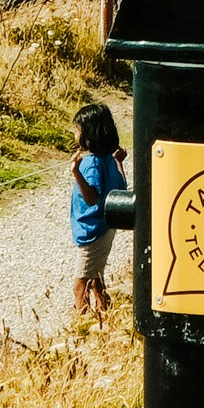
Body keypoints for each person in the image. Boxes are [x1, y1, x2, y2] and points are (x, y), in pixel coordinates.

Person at [70, 102, 129, 317]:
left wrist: (76, 173)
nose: (75, 134)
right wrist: (119, 162)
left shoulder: (91, 163)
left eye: (78, 130)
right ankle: (106, 316)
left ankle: (81, 326)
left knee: (80, 286)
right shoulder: (108, 158)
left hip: (92, 231)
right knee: (96, 282)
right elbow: (121, 189)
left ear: (87, 134)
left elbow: (92, 198)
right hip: (106, 226)